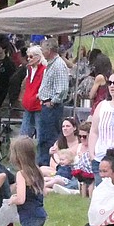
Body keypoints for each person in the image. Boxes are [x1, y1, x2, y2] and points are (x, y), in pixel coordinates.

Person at [36, 39, 70, 167]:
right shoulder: (51, 64)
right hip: (45, 105)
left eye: (43, 49)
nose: (42, 52)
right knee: (43, 137)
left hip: (52, 108)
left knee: (49, 138)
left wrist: (53, 101)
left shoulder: (58, 65)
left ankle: (47, 164)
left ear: (49, 50)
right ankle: (42, 163)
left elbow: (62, 88)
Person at [19, 45, 44, 139]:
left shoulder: (44, 70)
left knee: (40, 134)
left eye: (31, 57)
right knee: (23, 134)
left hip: (38, 106)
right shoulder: (29, 70)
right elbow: (25, 85)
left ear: (38, 57)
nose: (28, 59)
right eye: (28, 57)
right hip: (28, 105)